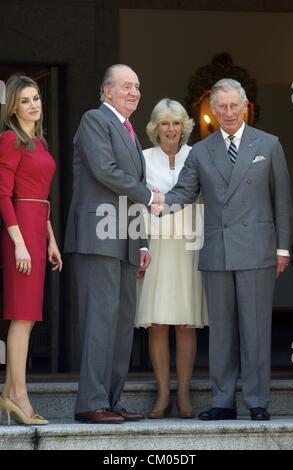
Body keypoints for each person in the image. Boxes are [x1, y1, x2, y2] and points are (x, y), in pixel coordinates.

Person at [153, 78, 292, 421]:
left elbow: (283, 201)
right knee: (221, 332)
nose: (229, 112)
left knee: (256, 328)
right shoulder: (202, 151)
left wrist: (283, 248)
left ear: (245, 107)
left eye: (234, 106)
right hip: (217, 251)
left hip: (258, 250)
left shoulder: (269, 145)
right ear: (212, 111)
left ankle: (258, 401)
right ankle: (223, 401)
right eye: (222, 107)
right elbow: (184, 192)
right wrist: (158, 202)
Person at [64, 64, 162, 424]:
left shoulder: (129, 131)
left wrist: (142, 243)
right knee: (100, 321)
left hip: (124, 240)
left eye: (137, 86)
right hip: (97, 237)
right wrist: (150, 195)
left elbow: (129, 191)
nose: (134, 92)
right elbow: (105, 170)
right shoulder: (95, 119)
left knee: (122, 324)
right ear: (106, 91)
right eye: (125, 87)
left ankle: (110, 401)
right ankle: (90, 402)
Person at [135, 99, 208, 419]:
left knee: (186, 324)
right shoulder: (142, 158)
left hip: (190, 246)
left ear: (184, 126)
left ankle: (184, 395)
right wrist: (139, 245)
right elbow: (134, 203)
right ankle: (163, 394)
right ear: (155, 128)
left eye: (176, 123)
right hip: (156, 247)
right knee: (158, 324)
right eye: (164, 123)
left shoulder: (198, 155)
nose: (171, 129)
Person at [0, 74, 62, 425]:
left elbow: (42, 196)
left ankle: (10, 393)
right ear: (13, 106)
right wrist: (20, 243)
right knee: (21, 316)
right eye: (25, 100)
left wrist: (50, 239)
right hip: (20, 232)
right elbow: (3, 196)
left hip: (38, 226)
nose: (33, 105)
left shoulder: (39, 143)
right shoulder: (9, 141)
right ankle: (20, 396)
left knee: (29, 316)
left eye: (36, 98)